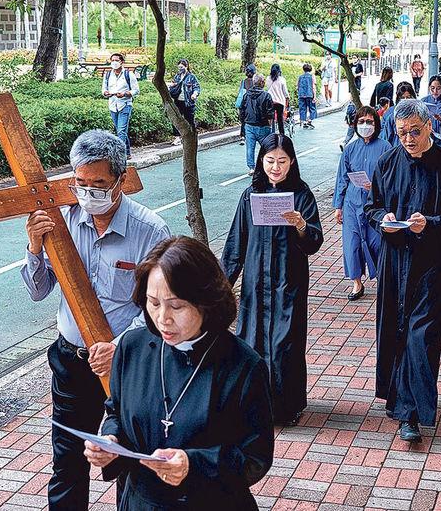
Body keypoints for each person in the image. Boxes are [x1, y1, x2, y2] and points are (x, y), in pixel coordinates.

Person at [22, 130, 171, 509]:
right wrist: (35, 249)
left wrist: (118, 346)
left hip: (127, 367)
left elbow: (159, 308)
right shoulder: (62, 220)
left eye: (100, 184)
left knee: (129, 459)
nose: (89, 192)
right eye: (81, 183)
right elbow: (38, 292)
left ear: (121, 180)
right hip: (71, 362)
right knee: (68, 461)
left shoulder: (149, 230)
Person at [85, 236, 274, 509]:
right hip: (141, 502)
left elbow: (255, 457)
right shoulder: (132, 347)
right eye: (153, 303)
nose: (163, 318)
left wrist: (193, 464)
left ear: (206, 301)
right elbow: (116, 412)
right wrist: (109, 441)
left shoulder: (243, 365)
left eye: (177, 306)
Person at [364, 99, 441, 442]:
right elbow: (372, 207)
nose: (408, 139)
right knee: (395, 331)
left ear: (429, 128)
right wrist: (384, 220)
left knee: (420, 336)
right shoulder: (386, 163)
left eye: (415, 132)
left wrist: (432, 223)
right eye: (401, 133)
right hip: (394, 260)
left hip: (431, 263)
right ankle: (399, 401)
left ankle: (411, 413)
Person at [222, 134, 324, 425]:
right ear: (261, 161)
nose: (275, 167)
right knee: (251, 342)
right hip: (255, 285)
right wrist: (219, 287)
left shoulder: (301, 195)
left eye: (282, 161)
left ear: (291, 161)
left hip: (287, 282)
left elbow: (314, 242)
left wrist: (301, 225)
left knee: (285, 344)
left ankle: (286, 407)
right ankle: (252, 407)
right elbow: (236, 244)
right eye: (270, 161)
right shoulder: (250, 194)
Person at [333, 106, 392, 300]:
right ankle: (356, 282)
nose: (365, 126)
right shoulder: (350, 149)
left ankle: (383, 278)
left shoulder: (386, 148)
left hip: (376, 204)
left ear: (377, 124)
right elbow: (342, 177)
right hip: (352, 203)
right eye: (361, 122)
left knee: (377, 242)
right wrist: (338, 206)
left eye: (369, 122)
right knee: (352, 243)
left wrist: (375, 186)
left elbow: (391, 178)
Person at [102, 53, 140, 158]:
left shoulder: (128, 75)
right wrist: (106, 93)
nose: (114, 62)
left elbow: (136, 90)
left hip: (125, 104)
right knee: (120, 130)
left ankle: (120, 154)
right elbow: (104, 89)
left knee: (121, 131)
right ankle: (127, 152)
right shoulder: (108, 75)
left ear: (121, 62)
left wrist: (126, 94)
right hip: (113, 104)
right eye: (112, 60)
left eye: (116, 60)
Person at [240, 74, 275, 175]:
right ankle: (265, 166)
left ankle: (251, 167)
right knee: (266, 147)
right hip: (263, 125)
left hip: (249, 124)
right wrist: (270, 125)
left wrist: (244, 122)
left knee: (250, 147)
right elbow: (270, 113)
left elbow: (242, 110)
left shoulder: (246, 95)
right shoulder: (266, 95)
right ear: (262, 83)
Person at [169, 59, 200, 146]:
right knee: (176, 119)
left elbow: (197, 87)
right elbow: (173, 85)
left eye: (182, 67)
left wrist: (194, 94)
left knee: (190, 120)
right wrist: (172, 86)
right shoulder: (177, 76)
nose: (180, 69)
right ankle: (177, 137)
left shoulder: (192, 77)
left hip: (188, 102)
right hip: (178, 101)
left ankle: (192, 136)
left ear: (186, 66)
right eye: (179, 67)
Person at [381, 81, 416, 148]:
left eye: (408, 97)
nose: (405, 100)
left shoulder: (418, 113)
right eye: (403, 98)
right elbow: (384, 135)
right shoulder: (391, 114)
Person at [422, 75, 441, 146]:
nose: (435, 91)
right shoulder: (424, 101)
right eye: (432, 88)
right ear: (429, 88)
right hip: (427, 135)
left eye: (438, 88)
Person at [266, 63, 290, 136]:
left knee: (271, 118)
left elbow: (267, 89)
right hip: (280, 102)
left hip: (270, 101)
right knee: (280, 119)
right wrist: (287, 97)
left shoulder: (268, 78)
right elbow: (285, 92)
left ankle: (271, 133)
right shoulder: (282, 79)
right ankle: (282, 134)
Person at [236, 64, 256, 146]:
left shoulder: (243, 81)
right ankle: (251, 136)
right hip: (251, 105)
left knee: (243, 122)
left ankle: (243, 137)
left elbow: (240, 92)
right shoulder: (255, 82)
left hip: (243, 104)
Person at [297, 63, 317, 129]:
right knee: (312, 108)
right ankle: (310, 121)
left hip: (301, 95)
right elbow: (313, 87)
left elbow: (298, 86)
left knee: (302, 109)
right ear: (310, 69)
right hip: (310, 95)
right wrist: (315, 96)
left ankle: (304, 121)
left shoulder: (300, 77)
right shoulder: (312, 76)